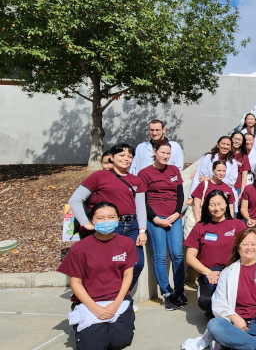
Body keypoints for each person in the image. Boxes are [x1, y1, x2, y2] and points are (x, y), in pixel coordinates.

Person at [58, 202, 137, 350]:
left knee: (120, 341)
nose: (106, 221)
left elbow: (128, 275)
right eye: (100, 218)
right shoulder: (79, 248)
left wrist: (116, 304)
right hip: (89, 303)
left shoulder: (126, 243)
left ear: (118, 219)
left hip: (117, 300)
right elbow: (75, 283)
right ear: (92, 221)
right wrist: (95, 308)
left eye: (111, 217)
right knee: (93, 346)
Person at [68, 144, 147, 292]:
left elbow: (141, 207)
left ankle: (121, 296)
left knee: (137, 263)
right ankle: (107, 298)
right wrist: (86, 223)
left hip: (132, 227)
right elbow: (75, 200)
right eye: (122, 155)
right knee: (109, 266)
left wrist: (142, 230)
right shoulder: (99, 176)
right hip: (110, 227)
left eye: (130, 156)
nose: (126, 159)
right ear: (112, 157)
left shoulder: (137, 180)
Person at [138, 140, 186, 310]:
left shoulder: (174, 170)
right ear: (155, 152)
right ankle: (167, 293)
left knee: (177, 253)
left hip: (174, 217)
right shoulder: (144, 173)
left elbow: (180, 195)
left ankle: (180, 291)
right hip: (155, 220)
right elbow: (142, 200)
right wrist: (155, 219)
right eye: (162, 153)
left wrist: (176, 214)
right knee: (160, 256)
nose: (165, 156)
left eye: (168, 153)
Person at [184, 190, 245, 319]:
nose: (217, 208)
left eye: (220, 203)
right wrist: (208, 272)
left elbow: (247, 252)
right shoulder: (200, 227)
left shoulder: (238, 225)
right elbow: (190, 257)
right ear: (207, 207)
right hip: (209, 274)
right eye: (212, 205)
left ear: (226, 204)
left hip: (233, 272)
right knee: (205, 301)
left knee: (240, 300)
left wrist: (225, 272)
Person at [230, 131, 251, 212]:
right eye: (235, 138)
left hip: (237, 188)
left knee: (235, 211)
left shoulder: (244, 157)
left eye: (239, 139)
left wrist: (242, 193)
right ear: (231, 139)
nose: (237, 141)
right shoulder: (225, 153)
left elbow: (244, 176)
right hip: (224, 186)